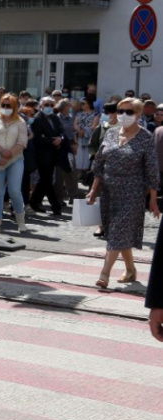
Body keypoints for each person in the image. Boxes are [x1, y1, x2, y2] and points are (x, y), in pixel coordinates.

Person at [87, 98, 160, 289]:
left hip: (132, 192)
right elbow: (99, 164)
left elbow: (152, 169)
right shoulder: (110, 134)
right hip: (109, 191)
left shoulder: (145, 137)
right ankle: (130, 270)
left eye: (129, 112)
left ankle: (104, 274)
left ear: (138, 115)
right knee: (117, 233)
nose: (123, 115)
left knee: (118, 231)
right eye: (121, 111)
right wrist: (93, 191)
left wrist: (152, 198)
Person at [0, 94, 30, 231]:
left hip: (15, 159)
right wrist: (1, 151)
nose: (5, 108)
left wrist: (9, 154)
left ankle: (20, 220)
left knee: (14, 190)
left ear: (15, 107)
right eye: (3, 105)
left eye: (8, 105)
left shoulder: (20, 122)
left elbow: (23, 142)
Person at [29, 96, 66, 216]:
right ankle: (55, 206)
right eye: (46, 104)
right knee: (47, 180)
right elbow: (38, 138)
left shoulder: (55, 118)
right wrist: (52, 140)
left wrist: (61, 138)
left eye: (51, 104)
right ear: (41, 106)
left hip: (54, 153)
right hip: (42, 154)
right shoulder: (37, 119)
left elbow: (62, 132)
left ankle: (34, 202)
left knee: (45, 179)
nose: (49, 107)